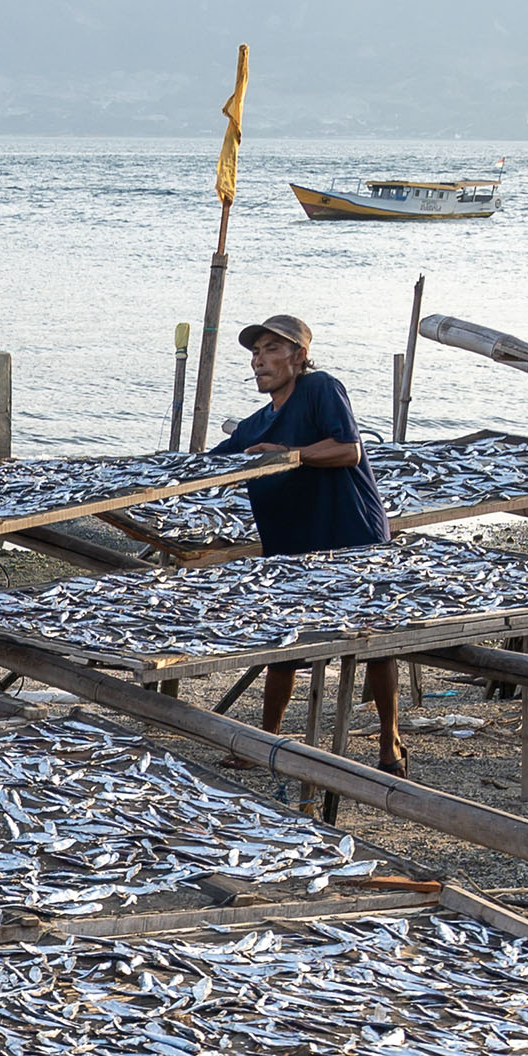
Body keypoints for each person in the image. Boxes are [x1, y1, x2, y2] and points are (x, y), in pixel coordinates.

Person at [215, 312, 402, 771]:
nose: (260, 361)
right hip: (290, 545)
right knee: (285, 641)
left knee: (372, 640)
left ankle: (389, 741)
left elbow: (348, 449)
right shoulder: (253, 426)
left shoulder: (321, 389)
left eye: (272, 350)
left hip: (350, 533)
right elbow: (203, 470)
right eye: (256, 353)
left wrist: (289, 456)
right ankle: (265, 743)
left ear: (299, 356)